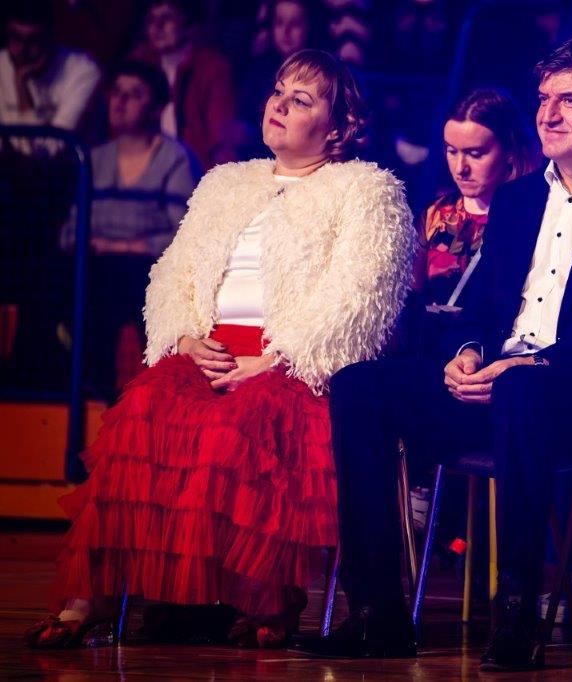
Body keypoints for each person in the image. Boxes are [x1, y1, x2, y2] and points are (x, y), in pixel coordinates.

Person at [300, 38, 572, 670]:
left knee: (524, 389)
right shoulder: (519, 200)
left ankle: (518, 613)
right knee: (361, 385)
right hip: (507, 384)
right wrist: (467, 352)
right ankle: (375, 613)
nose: (547, 113)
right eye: (544, 99)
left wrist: (537, 365)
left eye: (568, 100)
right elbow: (487, 313)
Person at [23, 49, 416, 650]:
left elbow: (361, 298)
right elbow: (172, 273)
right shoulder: (225, 182)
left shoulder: (365, 190)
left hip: (294, 361)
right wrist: (183, 337)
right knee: (143, 412)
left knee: (245, 426)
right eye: (278, 91)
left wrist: (279, 358)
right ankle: (91, 599)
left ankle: (266, 598)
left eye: (301, 100)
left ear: (337, 129)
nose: (279, 105)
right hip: (210, 349)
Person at [59, 60, 199, 399]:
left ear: (156, 107)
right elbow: (69, 232)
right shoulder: (93, 159)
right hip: (97, 268)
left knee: (128, 278)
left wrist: (123, 247)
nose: (120, 102)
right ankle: (82, 387)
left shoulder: (174, 159)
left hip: (148, 270)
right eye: (116, 92)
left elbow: (184, 233)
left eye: (134, 94)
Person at [411, 88, 533, 357]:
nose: (460, 168)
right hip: (428, 352)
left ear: (510, 151)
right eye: (451, 151)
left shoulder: (530, 217)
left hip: (491, 357)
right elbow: (409, 298)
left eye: (475, 154)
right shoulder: (435, 214)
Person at [134, 0, 237, 169]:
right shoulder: (141, 66)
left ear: (188, 22)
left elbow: (221, 144)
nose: (157, 26)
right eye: (151, 19)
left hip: (195, 173)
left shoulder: (211, 68)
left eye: (166, 18)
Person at [239, 0, 328, 159]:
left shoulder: (325, 75)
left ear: (310, 27)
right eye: (279, 22)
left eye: (295, 24)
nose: (286, 31)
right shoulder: (258, 72)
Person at [0, 1, 101, 135]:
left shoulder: (82, 71)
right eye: (16, 37)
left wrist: (22, 88)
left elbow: (52, 145)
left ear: (50, 37)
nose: (22, 49)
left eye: (32, 40)